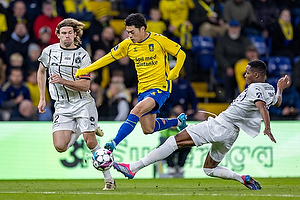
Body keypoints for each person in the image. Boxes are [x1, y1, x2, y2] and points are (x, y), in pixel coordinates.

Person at [112, 60, 291, 190]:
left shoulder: (255, 88)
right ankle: (241, 178)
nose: (245, 75)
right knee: (209, 169)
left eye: (248, 73)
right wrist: (280, 88)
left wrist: (267, 127)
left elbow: (262, 107)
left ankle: (133, 168)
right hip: (232, 134)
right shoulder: (268, 88)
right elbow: (276, 103)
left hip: (220, 125)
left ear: (256, 75)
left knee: (174, 141)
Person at [75, 13, 187, 152]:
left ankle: (114, 143)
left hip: (160, 87)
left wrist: (175, 70)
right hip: (143, 89)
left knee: (136, 110)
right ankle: (179, 121)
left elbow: (181, 53)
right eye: (128, 32)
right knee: (148, 129)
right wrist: (86, 70)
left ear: (143, 29)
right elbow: (108, 58)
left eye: (132, 32)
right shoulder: (128, 44)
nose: (130, 36)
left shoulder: (159, 40)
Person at [37, 18, 115, 190]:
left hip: (82, 103)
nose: (66, 36)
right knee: (60, 147)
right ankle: (80, 128)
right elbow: (41, 71)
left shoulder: (82, 55)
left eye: (69, 33)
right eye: (63, 33)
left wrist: (62, 81)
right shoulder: (49, 51)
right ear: (57, 34)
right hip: (62, 105)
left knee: (90, 142)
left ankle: (109, 180)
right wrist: (42, 98)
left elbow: (86, 85)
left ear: (75, 35)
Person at [215, 20, 252, 102]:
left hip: (242, 67)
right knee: (228, 76)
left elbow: (250, 52)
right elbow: (219, 55)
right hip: (227, 67)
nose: (234, 30)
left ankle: (246, 99)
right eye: (232, 28)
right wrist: (227, 67)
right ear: (229, 29)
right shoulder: (222, 41)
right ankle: (229, 99)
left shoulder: (244, 40)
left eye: (236, 28)